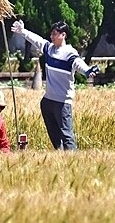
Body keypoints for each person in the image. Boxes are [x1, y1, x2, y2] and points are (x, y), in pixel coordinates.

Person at [11, 20, 99, 150]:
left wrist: (87, 71)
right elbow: (36, 40)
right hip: (48, 100)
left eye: (54, 34)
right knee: (54, 134)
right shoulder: (48, 48)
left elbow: (78, 63)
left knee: (66, 134)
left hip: (62, 102)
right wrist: (22, 31)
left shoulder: (69, 53)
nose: (51, 36)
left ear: (63, 35)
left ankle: (73, 159)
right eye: (51, 34)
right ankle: (60, 155)